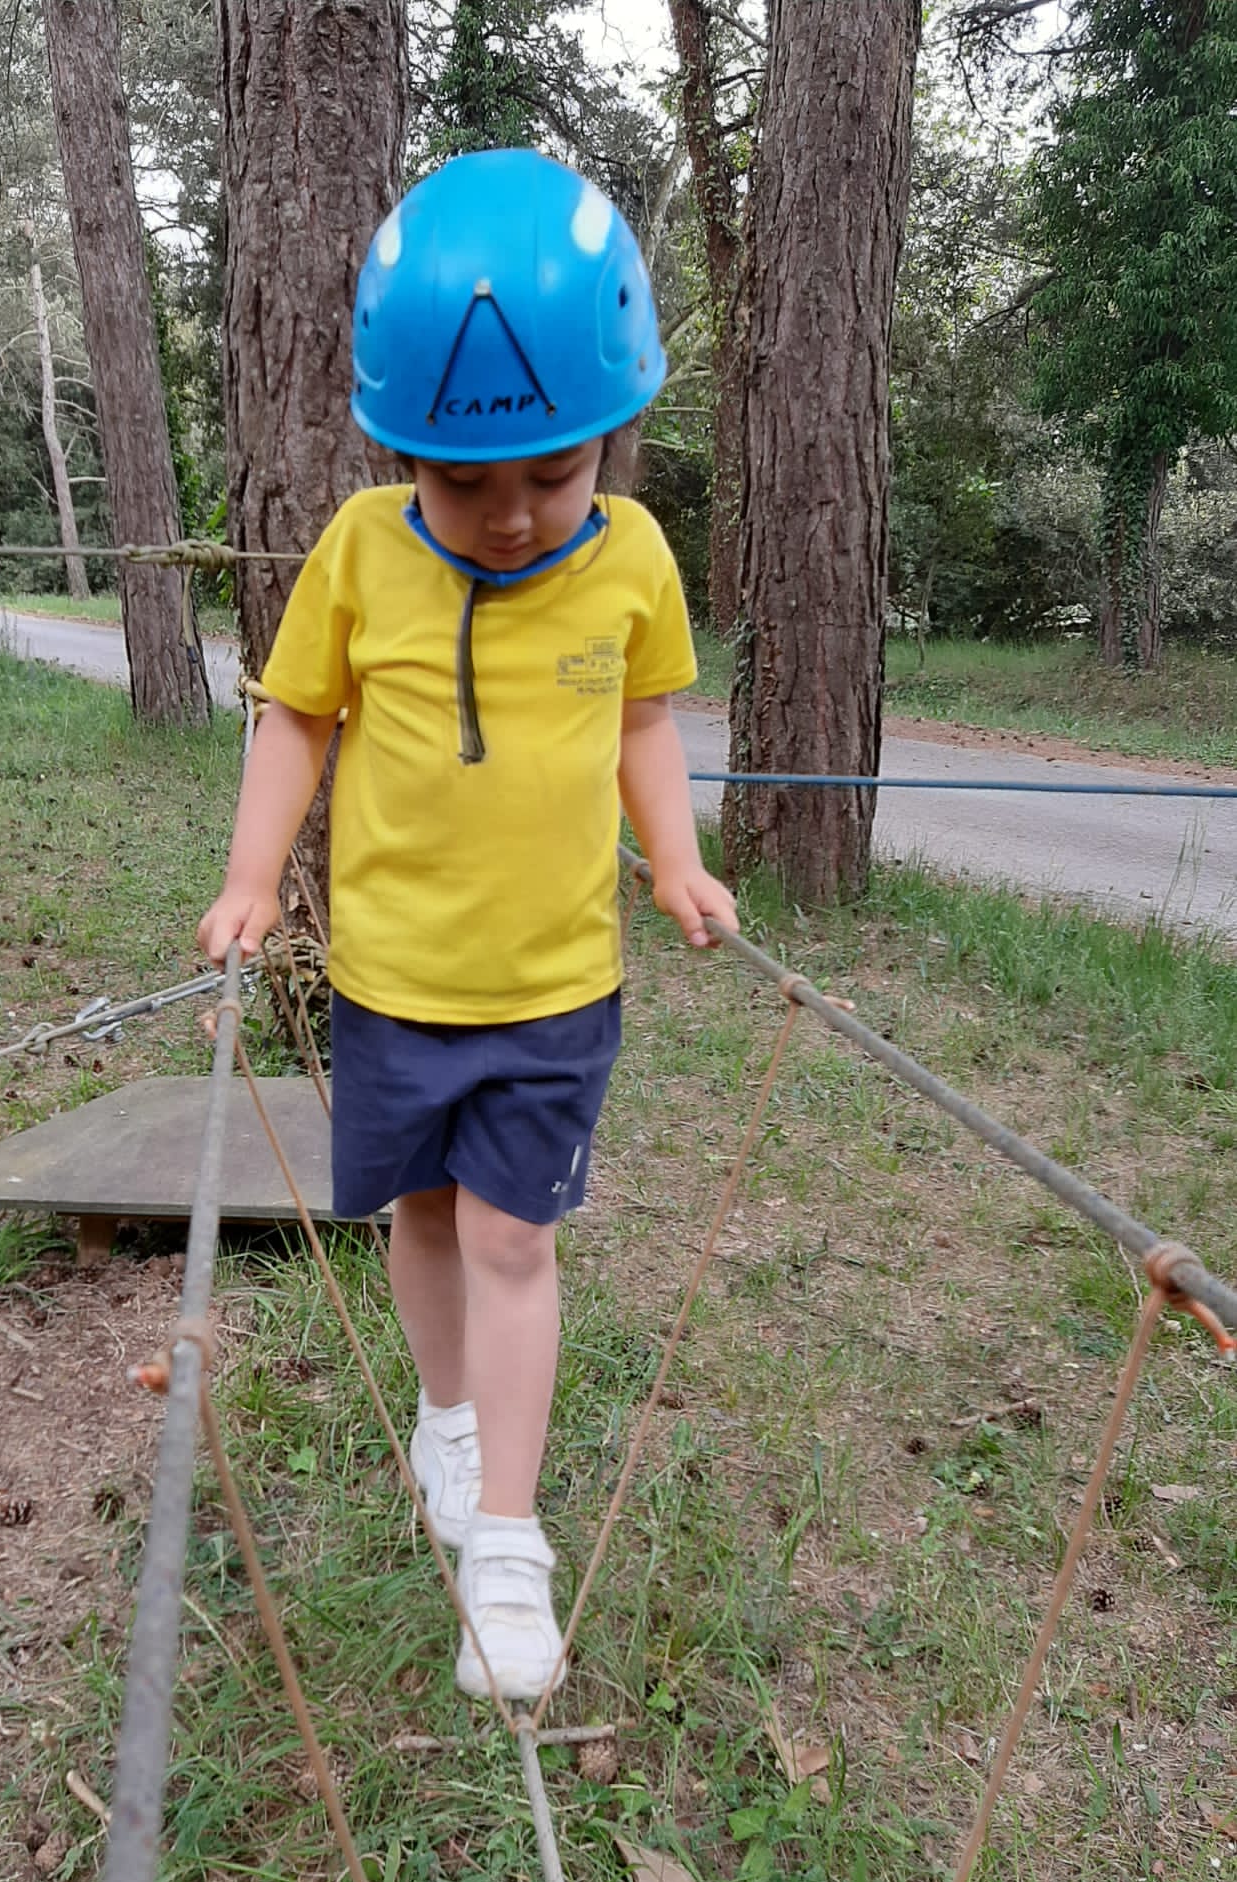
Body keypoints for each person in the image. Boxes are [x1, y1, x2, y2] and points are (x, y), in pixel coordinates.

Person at [199, 149, 737, 1702]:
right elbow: (298, 718)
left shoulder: (634, 561)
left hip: (555, 988)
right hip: (389, 983)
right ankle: (447, 1419)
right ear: (401, 452)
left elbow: (643, 722)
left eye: (552, 478)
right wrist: (252, 878)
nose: (510, 517)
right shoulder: (361, 550)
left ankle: (507, 1538)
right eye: (464, 483)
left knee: (512, 1236)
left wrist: (676, 859)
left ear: (611, 435)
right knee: (423, 1219)